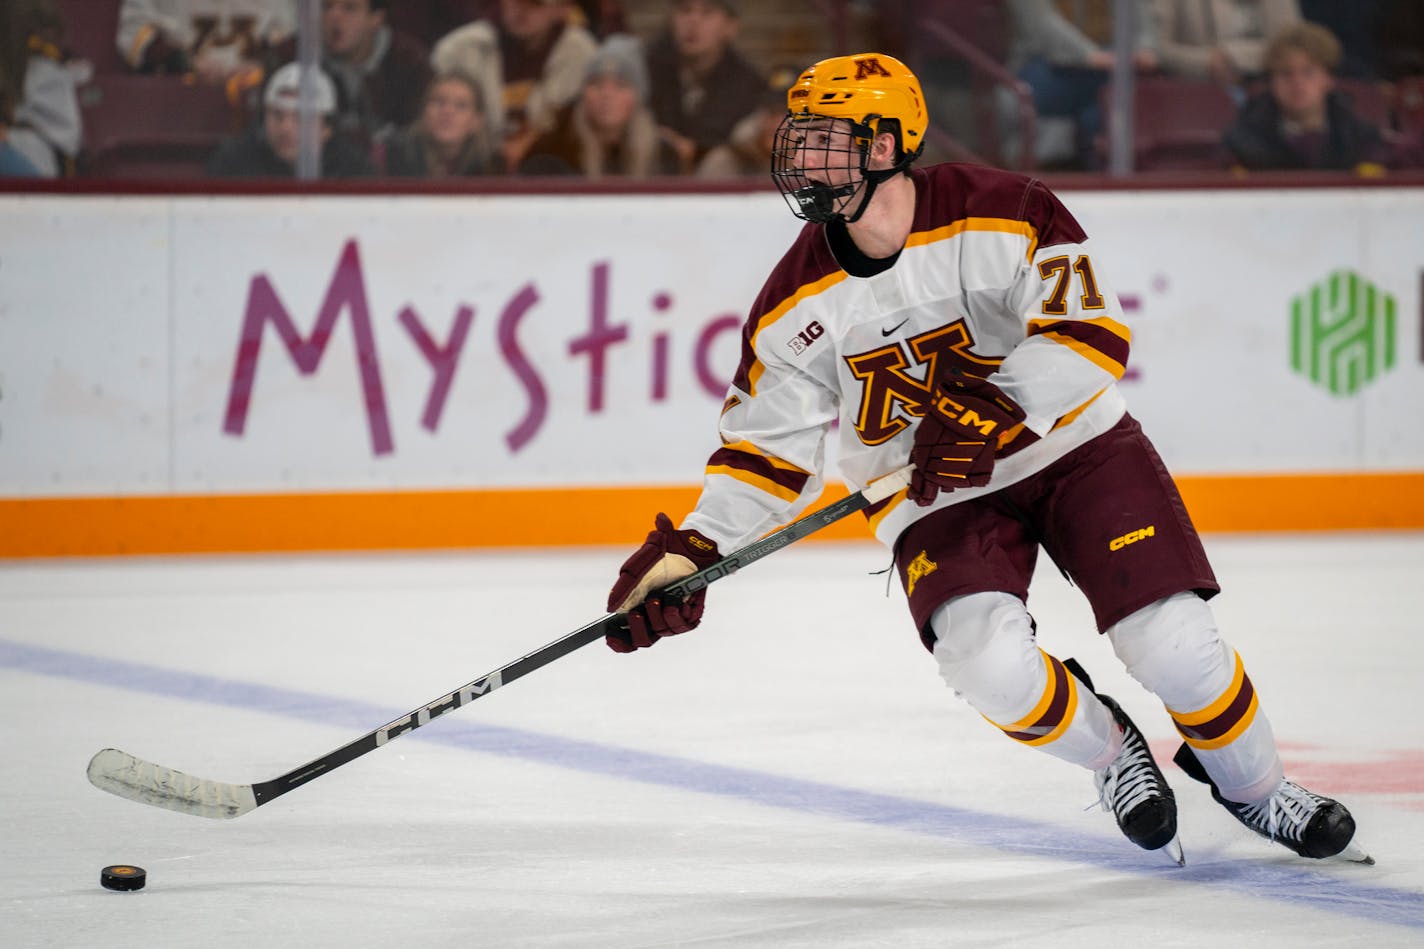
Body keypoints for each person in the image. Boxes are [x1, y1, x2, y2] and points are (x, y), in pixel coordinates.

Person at [604, 52, 1369, 866]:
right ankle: (1113, 753)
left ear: (892, 141)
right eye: (804, 140)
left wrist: (997, 404)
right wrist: (695, 546)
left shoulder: (1006, 211)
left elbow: (1090, 335)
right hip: (934, 487)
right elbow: (763, 451)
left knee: (1173, 643)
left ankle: (1256, 790)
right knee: (986, 662)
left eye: (831, 141)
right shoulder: (792, 302)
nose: (806, 160)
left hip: (1073, 444)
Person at [1222, 22, 1414, 171]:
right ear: (1271, 82)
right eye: (1285, 73)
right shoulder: (1242, 141)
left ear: (1328, 79)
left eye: (1308, 72)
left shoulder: (1362, 139)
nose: (1297, 82)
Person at [431, 0, 598, 170]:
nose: (521, 11)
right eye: (515, 2)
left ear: (561, 9)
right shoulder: (460, 49)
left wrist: (530, 140)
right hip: (470, 169)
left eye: (535, 4)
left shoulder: (582, 55)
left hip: (549, 172)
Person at [1005, 0, 1158, 170]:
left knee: (1106, 103)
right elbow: (1042, 25)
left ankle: (1103, 174)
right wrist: (1091, 55)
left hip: (1109, 66)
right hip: (1045, 65)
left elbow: (1142, 24)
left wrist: (1145, 48)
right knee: (1108, 94)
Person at [517, 33, 671, 177]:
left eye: (620, 85)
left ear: (638, 98)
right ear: (583, 93)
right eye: (596, 84)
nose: (606, 94)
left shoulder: (662, 154)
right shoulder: (553, 150)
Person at [644, 0, 764, 174]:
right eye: (685, 11)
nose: (693, 21)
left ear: (730, 27)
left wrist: (695, 147)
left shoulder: (749, 84)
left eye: (707, 13)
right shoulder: (647, 69)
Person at [206, 60, 375, 177]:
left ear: (326, 128)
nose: (285, 127)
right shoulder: (233, 164)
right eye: (277, 115)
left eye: (301, 118)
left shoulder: (354, 171)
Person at [317, 0, 431, 144]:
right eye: (327, 7)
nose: (334, 16)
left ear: (376, 18)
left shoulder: (411, 64)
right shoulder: (295, 58)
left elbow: (418, 134)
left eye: (349, 8)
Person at [116, 0, 295, 88]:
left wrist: (262, 66)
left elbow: (293, 41)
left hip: (258, 104)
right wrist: (184, 61)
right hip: (179, 98)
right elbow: (135, 36)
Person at [1152, 0, 1302, 92]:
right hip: (1192, 92)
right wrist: (1206, 61)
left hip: (1267, 90)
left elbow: (1291, 45)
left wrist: (1231, 56)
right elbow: (1157, 49)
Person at [382, 70, 500, 177]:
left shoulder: (491, 170)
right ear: (424, 113)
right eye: (439, 102)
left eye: (461, 106)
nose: (447, 111)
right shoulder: (385, 159)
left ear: (476, 121)